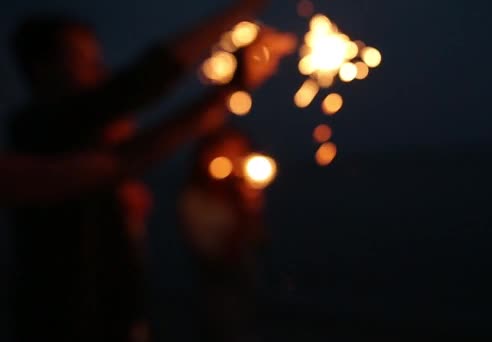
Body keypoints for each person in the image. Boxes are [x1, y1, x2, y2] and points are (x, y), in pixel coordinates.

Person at [6, 1, 296, 340]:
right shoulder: (37, 129)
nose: (100, 70)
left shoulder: (77, 145)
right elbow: (137, 93)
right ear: (43, 69)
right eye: (83, 58)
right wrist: (245, 11)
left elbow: (134, 149)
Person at [179, 126, 268, 342]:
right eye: (225, 153)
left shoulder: (239, 195)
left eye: (238, 152)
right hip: (216, 288)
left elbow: (260, 240)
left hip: (247, 287)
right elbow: (216, 254)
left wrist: (252, 207)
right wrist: (243, 215)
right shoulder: (194, 200)